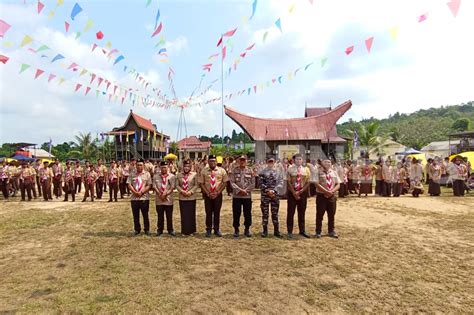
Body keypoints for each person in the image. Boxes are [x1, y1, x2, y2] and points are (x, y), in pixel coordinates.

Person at [198, 155, 229, 237]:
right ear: (208, 162)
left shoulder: (222, 170)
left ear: (216, 162)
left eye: (214, 161)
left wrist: (218, 192)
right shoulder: (204, 171)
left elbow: (225, 183)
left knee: (217, 213)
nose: (213, 162)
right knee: (208, 213)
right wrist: (207, 193)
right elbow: (201, 183)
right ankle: (208, 229)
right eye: (211, 161)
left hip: (218, 195)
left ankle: (216, 229)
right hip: (207, 195)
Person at [230, 155, 255, 237]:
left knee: (247, 213)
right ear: (238, 161)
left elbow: (253, 183)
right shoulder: (234, 170)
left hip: (247, 196)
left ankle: (247, 229)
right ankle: (236, 229)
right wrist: (239, 190)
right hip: (237, 196)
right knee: (236, 213)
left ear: (246, 161)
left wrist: (246, 191)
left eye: (244, 160)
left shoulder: (250, 171)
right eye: (241, 160)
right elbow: (232, 182)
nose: (242, 161)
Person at [286, 154, 311, 238]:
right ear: (294, 160)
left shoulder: (306, 170)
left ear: (302, 160)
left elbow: (308, 182)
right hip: (292, 193)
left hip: (302, 193)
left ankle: (302, 230)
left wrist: (300, 191)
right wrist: (294, 192)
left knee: (302, 212)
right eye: (297, 159)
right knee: (290, 212)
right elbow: (288, 182)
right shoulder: (289, 169)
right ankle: (289, 231)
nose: (298, 161)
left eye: (300, 159)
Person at [258, 155, 284, 237]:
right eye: (269, 161)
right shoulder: (262, 172)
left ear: (274, 162)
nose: (270, 163)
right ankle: (265, 231)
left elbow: (281, 182)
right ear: (266, 162)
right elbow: (260, 183)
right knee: (265, 214)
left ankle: (276, 231)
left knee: (275, 213)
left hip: (275, 195)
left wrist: (274, 190)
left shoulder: (278, 172)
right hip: (265, 195)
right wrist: (267, 190)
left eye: (272, 161)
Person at [315, 159, 340, 238]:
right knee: (320, 214)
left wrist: (331, 192)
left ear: (331, 163)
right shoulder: (318, 172)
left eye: (329, 162)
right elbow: (316, 184)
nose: (327, 163)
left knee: (331, 214)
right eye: (325, 162)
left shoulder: (334, 172)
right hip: (321, 195)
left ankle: (331, 231)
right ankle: (318, 231)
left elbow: (338, 184)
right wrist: (326, 192)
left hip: (332, 196)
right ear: (322, 163)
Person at [127, 159, 152, 235]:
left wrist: (142, 192)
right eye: (138, 165)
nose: (139, 166)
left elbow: (149, 185)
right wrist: (135, 192)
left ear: (143, 165)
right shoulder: (132, 174)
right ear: (136, 166)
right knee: (135, 215)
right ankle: (137, 229)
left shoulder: (147, 174)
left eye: (141, 165)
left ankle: (146, 229)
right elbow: (129, 184)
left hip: (144, 197)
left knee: (145, 215)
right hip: (134, 198)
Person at [153, 161, 176, 236]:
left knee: (169, 216)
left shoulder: (172, 176)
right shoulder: (155, 176)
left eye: (165, 167)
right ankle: (160, 230)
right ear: (160, 168)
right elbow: (154, 187)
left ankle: (170, 230)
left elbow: (172, 187)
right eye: (162, 167)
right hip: (159, 199)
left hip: (168, 199)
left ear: (168, 167)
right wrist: (160, 195)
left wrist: (165, 194)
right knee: (160, 216)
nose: (164, 169)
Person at [176, 159, 198, 235]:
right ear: (183, 166)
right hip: (182, 197)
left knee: (191, 214)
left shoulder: (194, 174)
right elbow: (177, 185)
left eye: (188, 166)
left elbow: (196, 185)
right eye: (185, 166)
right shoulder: (179, 175)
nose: (186, 168)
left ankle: (191, 230)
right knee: (184, 214)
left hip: (191, 197)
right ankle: (184, 231)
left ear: (190, 167)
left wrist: (190, 192)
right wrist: (182, 191)